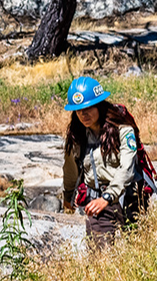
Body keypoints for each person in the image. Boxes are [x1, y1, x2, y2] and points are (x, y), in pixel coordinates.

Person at [61, 76, 149, 247]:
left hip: (129, 200)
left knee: (137, 252)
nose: (83, 114)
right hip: (96, 204)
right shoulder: (77, 136)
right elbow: (70, 169)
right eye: (78, 110)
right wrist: (68, 197)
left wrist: (108, 196)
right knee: (100, 256)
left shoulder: (123, 130)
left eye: (88, 108)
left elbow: (127, 167)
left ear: (99, 105)